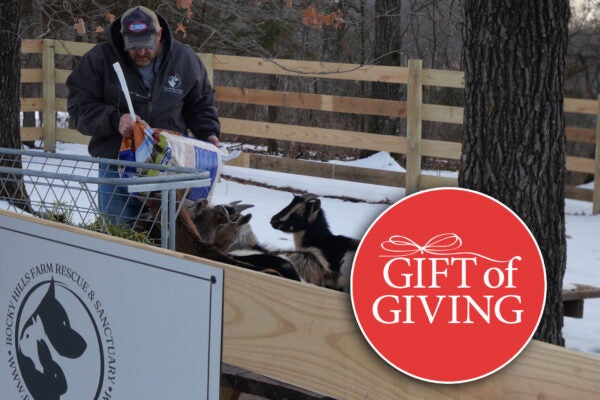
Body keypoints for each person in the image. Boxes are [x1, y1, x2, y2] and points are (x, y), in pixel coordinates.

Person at [66, 6, 220, 224]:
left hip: (169, 165)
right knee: (119, 230)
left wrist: (209, 134)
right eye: (133, 46)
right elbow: (79, 108)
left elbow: (201, 104)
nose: (141, 52)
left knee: (169, 232)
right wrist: (115, 120)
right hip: (117, 164)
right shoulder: (99, 59)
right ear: (122, 37)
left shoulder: (184, 60)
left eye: (147, 44)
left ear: (159, 35)